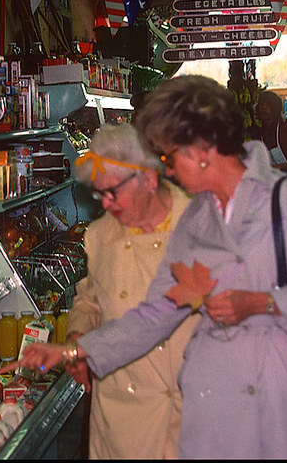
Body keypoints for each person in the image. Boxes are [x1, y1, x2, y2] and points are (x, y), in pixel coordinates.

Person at [3, 75, 287, 459]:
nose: (167, 172)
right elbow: (157, 312)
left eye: (169, 156)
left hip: (278, 414)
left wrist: (262, 302)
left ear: (201, 147)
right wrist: (73, 353)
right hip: (211, 420)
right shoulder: (197, 219)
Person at [67, 124, 198, 459]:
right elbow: (90, 299)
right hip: (124, 424)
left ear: (149, 179)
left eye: (113, 192)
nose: (107, 204)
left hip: (193, 414)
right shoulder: (100, 237)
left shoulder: (200, 226)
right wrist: (78, 334)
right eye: (99, 194)